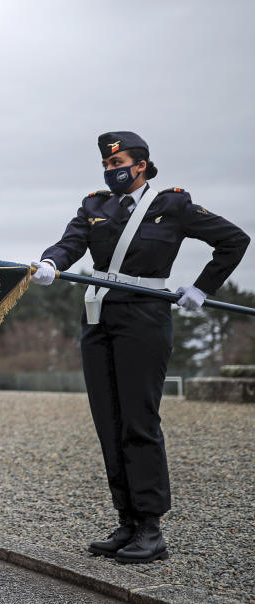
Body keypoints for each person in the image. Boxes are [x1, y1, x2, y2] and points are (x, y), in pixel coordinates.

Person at [30, 131, 250, 564]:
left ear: (143, 166)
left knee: (138, 422)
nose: (113, 172)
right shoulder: (93, 204)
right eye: (108, 167)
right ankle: (126, 520)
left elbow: (234, 240)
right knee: (108, 422)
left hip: (145, 319)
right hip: (97, 318)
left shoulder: (173, 205)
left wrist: (203, 289)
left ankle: (151, 528)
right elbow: (72, 242)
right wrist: (52, 262)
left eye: (120, 164)